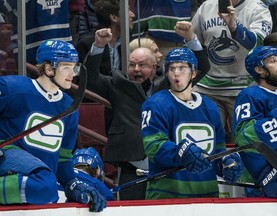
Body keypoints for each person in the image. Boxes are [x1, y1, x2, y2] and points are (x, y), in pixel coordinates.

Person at [84, 26, 210, 200]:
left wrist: (190, 38)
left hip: (167, 167)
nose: (136, 69)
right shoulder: (117, 84)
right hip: (130, 167)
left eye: (142, 65)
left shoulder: (169, 83)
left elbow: (202, 66)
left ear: (154, 67)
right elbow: (89, 79)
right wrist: (98, 45)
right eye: (132, 64)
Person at [0, 39, 106, 212]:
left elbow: (63, 158)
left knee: (48, 189)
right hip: (8, 159)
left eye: (74, 67)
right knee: (46, 185)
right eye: (66, 67)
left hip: (33, 180)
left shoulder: (69, 107)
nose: (72, 74)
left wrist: (71, 184)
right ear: (49, 68)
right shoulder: (14, 87)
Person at [141, 47, 243, 199]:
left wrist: (226, 163)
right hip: (167, 196)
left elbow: (218, 149)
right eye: (171, 68)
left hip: (207, 196)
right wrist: (180, 153)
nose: (176, 73)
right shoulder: (155, 104)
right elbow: (153, 147)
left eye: (182, 68)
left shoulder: (210, 107)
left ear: (193, 73)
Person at [191, 0, 272, 144]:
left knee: (246, 144)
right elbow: (196, 41)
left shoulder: (258, 8)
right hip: (209, 88)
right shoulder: (206, 6)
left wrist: (234, 26)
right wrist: (188, 37)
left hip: (245, 90)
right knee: (205, 142)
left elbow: (258, 43)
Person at [232, 46, 277, 200]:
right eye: (272, 60)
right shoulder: (250, 95)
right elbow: (245, 140)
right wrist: (265, 175)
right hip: (271, 181)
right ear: (259, 69)